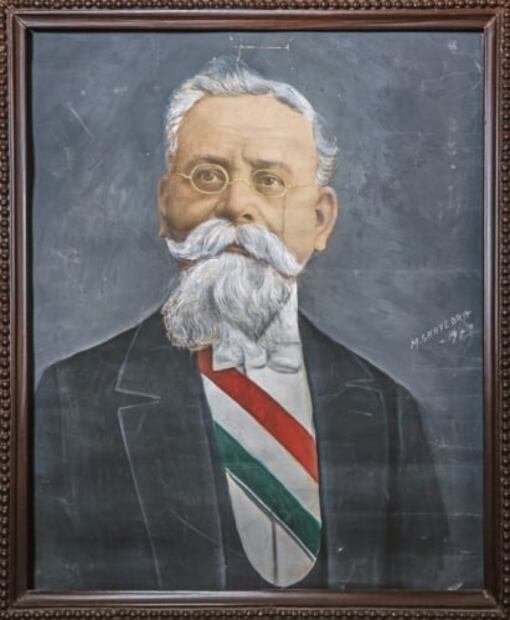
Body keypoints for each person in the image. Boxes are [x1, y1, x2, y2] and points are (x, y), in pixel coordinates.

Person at [34, 57, 448, 591]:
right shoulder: (72, 399)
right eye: (207, 176)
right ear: (165, 205)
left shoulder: (391, 411)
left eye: (269, 180)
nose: (235, 206)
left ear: (320, 220)